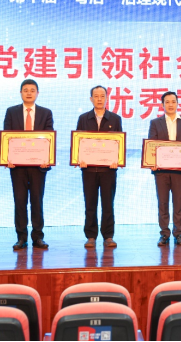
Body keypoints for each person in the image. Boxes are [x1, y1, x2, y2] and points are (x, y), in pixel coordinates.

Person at [4, 79, 54, 250]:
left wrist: (47, 158)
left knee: (37, 201)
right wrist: (7, 158)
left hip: (39, 167)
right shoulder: (11, 112)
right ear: (20, 93)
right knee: (20, 202)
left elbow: (48, 138)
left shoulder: (46, 113)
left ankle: (38, 237)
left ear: (37, 93)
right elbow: (7, 137)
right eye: (25, 90)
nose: (29, 93)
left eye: (32, 90)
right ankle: (21, 237)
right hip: (17, 166)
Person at [148, 91, 181, 246]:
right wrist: (151, 160)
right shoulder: (155, 122)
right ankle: (164, 234)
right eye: (167, 102)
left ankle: (178, 234)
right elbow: (151, 144)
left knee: (178, 203)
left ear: (178, 103)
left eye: (173, 101)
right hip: (161, 171)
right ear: (162, 104)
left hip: (179, 170)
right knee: (163, 203)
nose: (170, 104)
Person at [76, 85, 122, 249]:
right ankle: (91, 236)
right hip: (88, 169)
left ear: (106, 98)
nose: (99, 99)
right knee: (90, 204)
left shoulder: (115, 119)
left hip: (108, 170)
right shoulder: (83, 118)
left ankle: (108, 236)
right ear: (91, 99)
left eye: (102, 96)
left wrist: (117, 159)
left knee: (108, 204)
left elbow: (119, 143)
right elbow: (79, 142)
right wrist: (79, 159)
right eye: (96, 96)